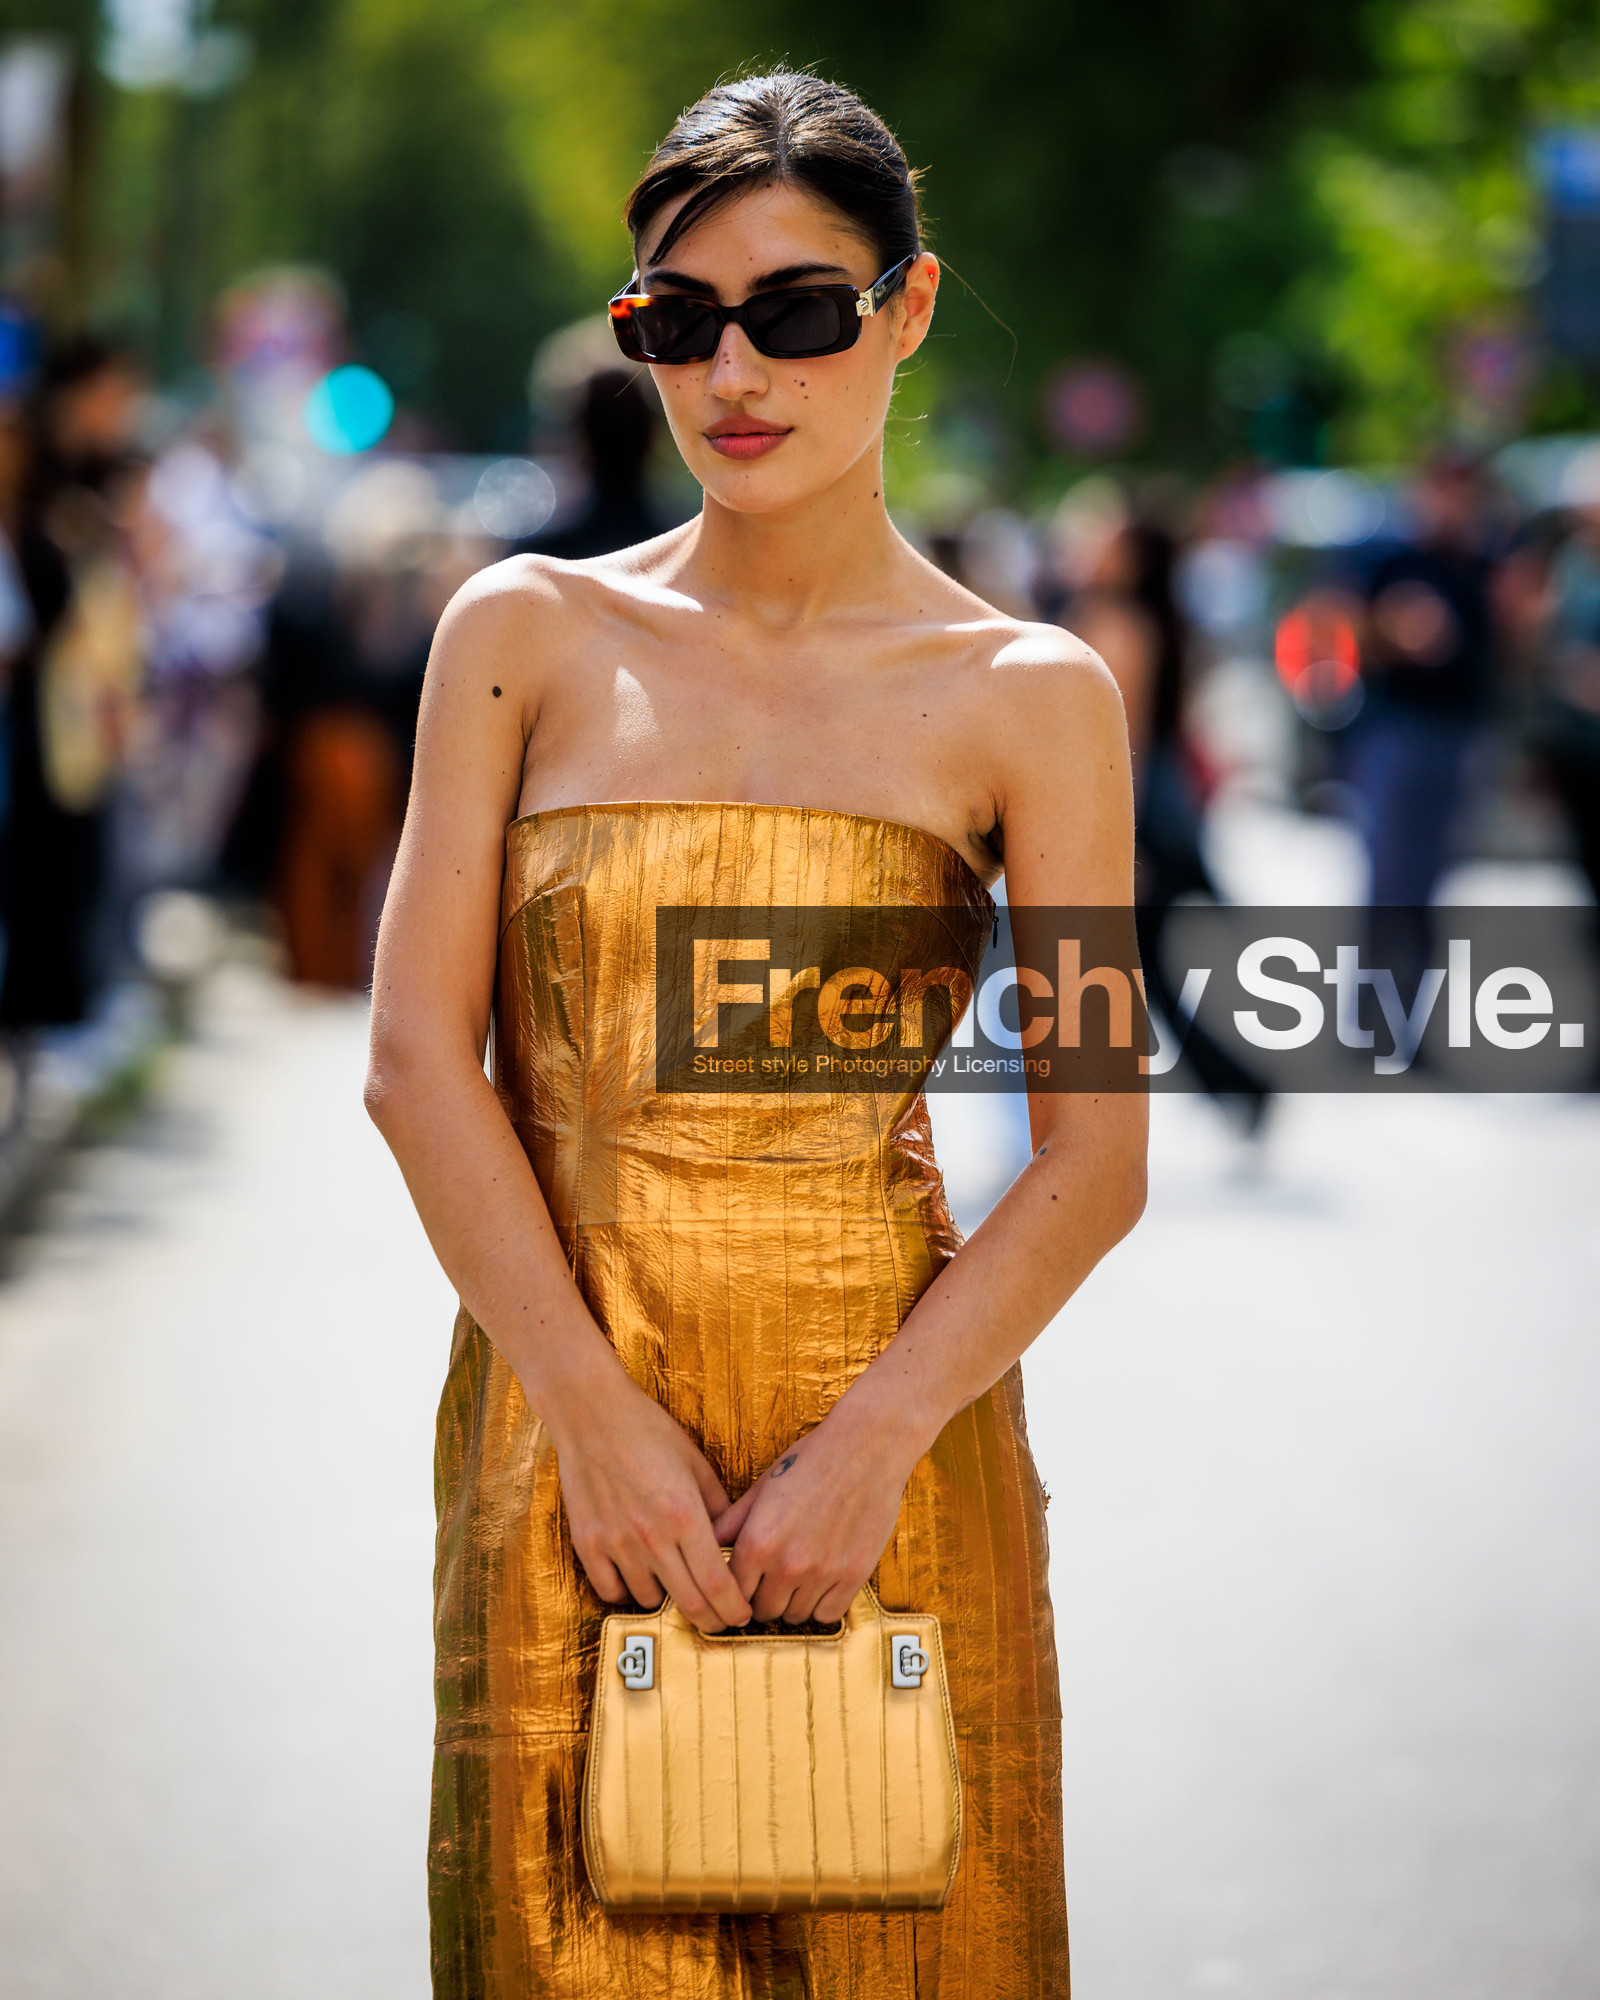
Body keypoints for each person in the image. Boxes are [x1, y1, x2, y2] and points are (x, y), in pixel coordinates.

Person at [366, 70, 1145, 1999]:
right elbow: (412, 1066)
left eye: (799, 309)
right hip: (569, 1443)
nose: (737, 370)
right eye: (678, 321)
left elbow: (1097, 1151)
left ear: (910, 307)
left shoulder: (1036, 699)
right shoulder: (519, 634)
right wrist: (595, 1422)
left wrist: (878, 1442)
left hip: (887, 1453)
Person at [1064, 508, 1269, 1128]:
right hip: (1141, 817)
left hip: (1134, 818)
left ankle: (1234, 1089)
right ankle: (1239, 1087)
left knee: (1123, 971)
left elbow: (1124, 741)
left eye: (1105, 536)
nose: (1087, 541)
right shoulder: (1130, 618)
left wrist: (1118, 840)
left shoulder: (1121, 625)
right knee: (1137, 972)